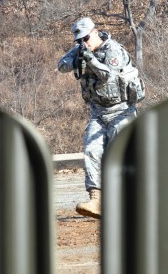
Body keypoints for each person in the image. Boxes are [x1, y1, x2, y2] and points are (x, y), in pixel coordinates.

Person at [57, 17, 142, 219]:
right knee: (91, 151)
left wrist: (91, 60)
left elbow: (108, 76)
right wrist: (77, 57)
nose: (83, 42)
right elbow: (61, 66)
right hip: (98, 112)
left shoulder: (114, 50)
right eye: (79, 40)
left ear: (95, 32)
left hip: (121, 111)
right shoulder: (81, 48)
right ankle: (96, 200)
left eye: (86, 37)